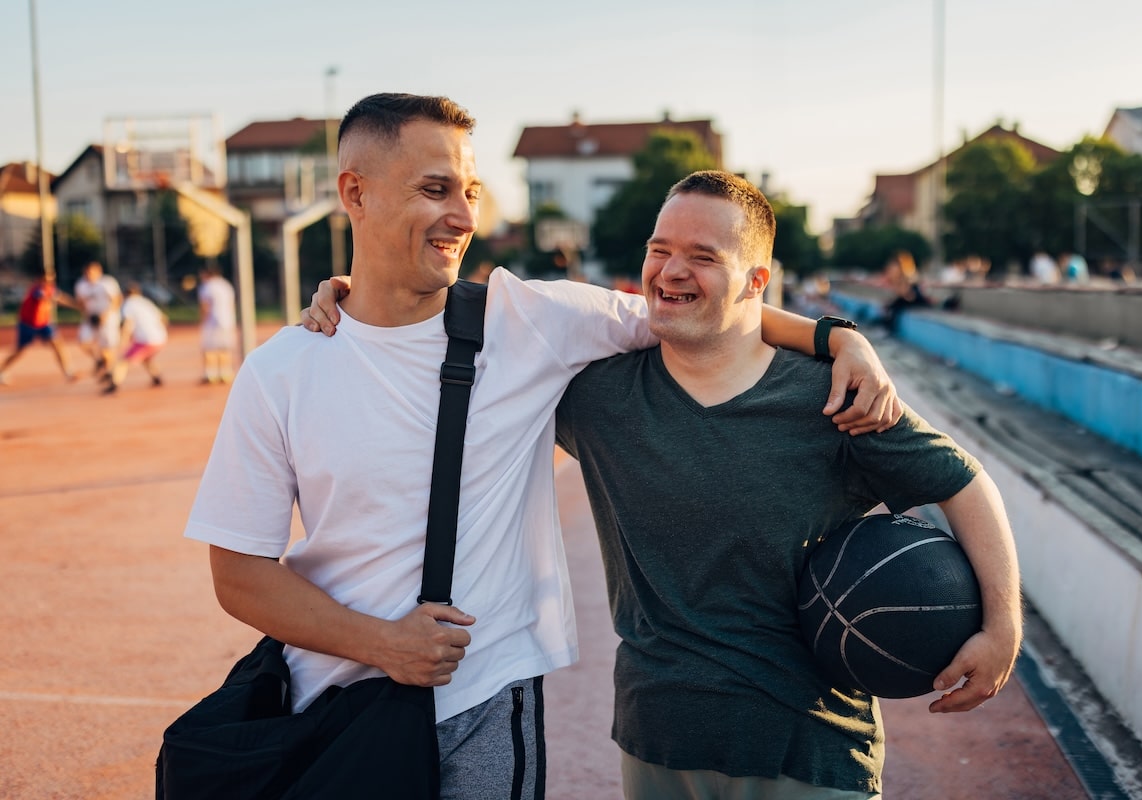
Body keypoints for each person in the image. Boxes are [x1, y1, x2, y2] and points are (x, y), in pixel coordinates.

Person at [187, 92, 899, 800]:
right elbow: (239, 572)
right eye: (434, 190)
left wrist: (838, 337)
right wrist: (380, 643)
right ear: (355, 193)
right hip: (329, 706)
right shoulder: (282, 369)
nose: (464, 217)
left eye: (470, 190)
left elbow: (703, 308)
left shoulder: (532, 320)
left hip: (483, 702)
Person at [313, 171, 1023, 799]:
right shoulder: (597, 396)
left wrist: (1003, 627)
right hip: (658, 740)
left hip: (810, 747)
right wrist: (356, 293)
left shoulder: (834, 398)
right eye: (660, 249)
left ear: (754, 280)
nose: (671, 270)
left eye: (702, 257)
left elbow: (963, 483)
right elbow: (452, 330)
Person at [0, 272, 78, 385]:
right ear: (39, 279)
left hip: (43, 324)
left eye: (51, 279)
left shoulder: (50, 289)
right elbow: (46, 296)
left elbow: (61, 297)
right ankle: (2, 370)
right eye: (46, 279)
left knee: (57, 344)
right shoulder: (36, 289)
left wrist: (75, 305)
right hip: (28, 324)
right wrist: (54, 297)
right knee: (19, 351)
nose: (49, 282)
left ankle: (68, 372)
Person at [101, 282, 168, 394]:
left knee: (123, 361)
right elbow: (164, 319)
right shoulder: (145, 302)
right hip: (160, 338)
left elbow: (128, 324)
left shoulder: (128, 304)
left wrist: (123, 341)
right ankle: (157, 378)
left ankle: (114, 384)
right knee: (146, 358)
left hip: (147, 340)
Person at [74, 260, 123, 377]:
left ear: (98, 272)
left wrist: (105, 315)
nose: (88, 275)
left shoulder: (107, 283)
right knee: (83, 342)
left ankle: (109, 372)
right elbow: (81, 303)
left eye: (91, 272)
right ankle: (99, 360)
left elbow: (117, 299)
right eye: (86, 272)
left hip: (108, 319)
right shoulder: (81, 285)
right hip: (91, 318)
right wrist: (86, 315)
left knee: (107, 348)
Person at [196, 264, 237, 384]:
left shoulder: (208, 286)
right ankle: (226, 372)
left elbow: (205, 306)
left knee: (209, 348)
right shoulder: (226, 285)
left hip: (212, 321)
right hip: (228, 321)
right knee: (225, 348)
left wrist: (202, 320)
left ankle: (210, 374)